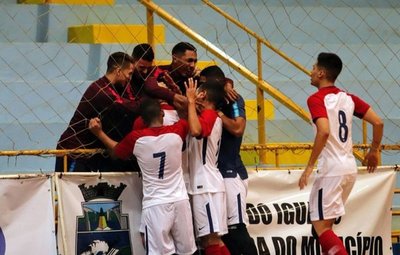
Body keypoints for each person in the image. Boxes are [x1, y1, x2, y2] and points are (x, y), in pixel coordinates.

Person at [298, 52, 383, 255]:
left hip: (331, 169)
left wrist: (309, 166)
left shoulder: (316, 99)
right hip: (348, 167)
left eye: (313, 68)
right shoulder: (348, 98)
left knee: (321, 227)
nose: (310, 71)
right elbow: (378, 122)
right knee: (325, 227)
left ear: (321, 72)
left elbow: (324, 131)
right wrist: (374, 150)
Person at [88, 98, 196, 255]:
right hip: (180, 200)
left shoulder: (136, 138)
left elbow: (116, 151)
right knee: (188, 252)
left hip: (156, 204)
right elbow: (190, 121)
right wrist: (190, 101)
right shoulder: (178, 130)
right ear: (162, 114)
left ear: (142, 120)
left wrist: (99, 132)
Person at [200, 66, 258, 255]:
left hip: (231, 174)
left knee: (236, 229)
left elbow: (237, 128)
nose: (200, 87)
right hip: (215, 177)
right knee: (219, 233)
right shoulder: (208, 100)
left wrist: (219, 114)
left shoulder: (232, 99)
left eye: (203, 83)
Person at [55, 51, 142, 172]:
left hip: (86, 153)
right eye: (129, 74)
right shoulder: (103, 92)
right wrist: (154, 102)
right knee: (70, 190)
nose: (129, 78)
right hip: (74, 151)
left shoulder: (109, 87)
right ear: (118, 71)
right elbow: (130, 108)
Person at [185, 78, 230, 255]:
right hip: (207, 183)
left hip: (206, 185)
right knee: (212, 239)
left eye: (197, 92)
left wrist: (189, 101)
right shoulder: (207, 115)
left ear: (202, 94)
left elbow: (196, 131)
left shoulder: (210, 115)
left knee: (210, 239)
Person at [144, 41, 200, 111]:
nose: (193, 65)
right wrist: (175, 96)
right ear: (175, 59)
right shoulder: (160, 71)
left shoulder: (196, 77)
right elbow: (150, 87)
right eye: (189, 60)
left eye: (195, 61)